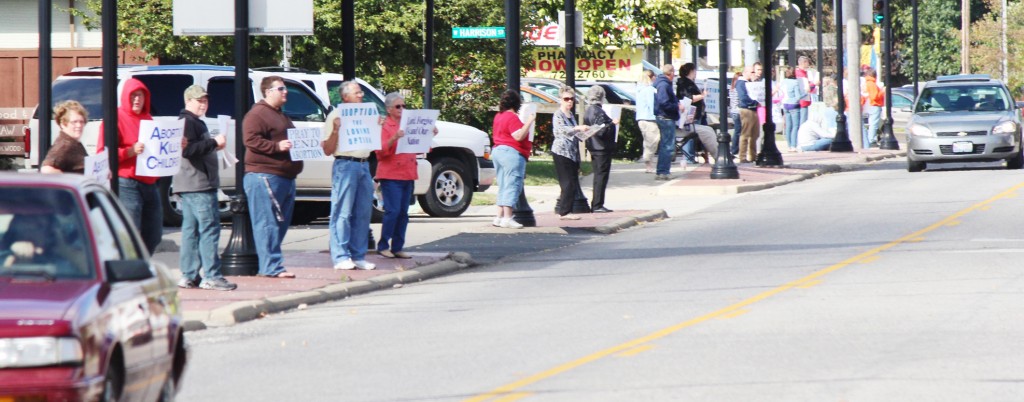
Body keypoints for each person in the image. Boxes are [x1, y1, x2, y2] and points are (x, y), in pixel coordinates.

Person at [173, 85, 236, 291]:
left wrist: (213, 144)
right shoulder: (189, 122)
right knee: (209, 229)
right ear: (187, 101)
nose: (203, 104)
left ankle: (188, 275)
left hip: (190, 184)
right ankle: (212, 275)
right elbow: (189, 151)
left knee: (191, 231)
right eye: (198, 100)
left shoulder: (190, 122)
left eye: (205, 100)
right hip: (198, 184)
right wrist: (213, 142)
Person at [243, 76, 303, 278]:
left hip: (285, 176)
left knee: (279, 223)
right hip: (264, 176)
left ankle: (271, 264)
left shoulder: (281, 115)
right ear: (268, 91)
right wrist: (276, 147)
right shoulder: (257, 114)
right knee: (267, 223)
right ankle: (271, 267)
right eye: (281, 88)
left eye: (285, 88)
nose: (285, 91)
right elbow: (250, 140)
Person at [97, 78, 163, 254]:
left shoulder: (148, 119)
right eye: (133, 95)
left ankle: (141, 265)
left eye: (140, 95)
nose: (136, 100)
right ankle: (130, 268)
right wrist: (129, 152)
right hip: (127, 182)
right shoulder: (114, 118)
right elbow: (102, 154)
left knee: (154, 234)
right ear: (125, 97)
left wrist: (177, 145)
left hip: (150, 183)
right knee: (130, 231)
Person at [321, 81, 376, 270]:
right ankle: (340, 256)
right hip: (345, 164)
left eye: (361, 92)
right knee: (342, 212)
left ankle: (358, 255)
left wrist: (379, 127)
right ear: (345, 97)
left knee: (362, 212)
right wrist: (336, 130)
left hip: (364, 165)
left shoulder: (369, 115)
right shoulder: (336, 115)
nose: (361, 95)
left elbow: (379, 143)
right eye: (357, 92)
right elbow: (327, 149)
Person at [376, 92, 436, 258]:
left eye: (403, 106)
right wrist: (394, 137)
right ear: (389, 109)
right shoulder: (384, 126)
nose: (402, 109)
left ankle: (397, 246)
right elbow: (380, 152)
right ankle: (383, 245)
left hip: (407, 173)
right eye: (398, 106)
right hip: (391, 174)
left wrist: (428, 133)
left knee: (403, 213)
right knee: (392, 211)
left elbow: (418, 146)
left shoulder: (408, 124)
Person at [491, 90, 535, 228]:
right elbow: (518, 136)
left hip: (498, 151)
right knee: (512, 183)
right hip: (511, 153)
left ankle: (498, 217)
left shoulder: (498, 116)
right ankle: (508, 218)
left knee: (503, 184)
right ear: (517, 103)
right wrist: (529, 121)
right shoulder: (512, 117)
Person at [551, 86, 589, 220]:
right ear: (560, 99)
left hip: (572, 152)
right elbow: (561, 131)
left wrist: (585, 133)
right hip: (561, 152)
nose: (569, 102)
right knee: (568, 182)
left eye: (572, 99)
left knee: (573, 181)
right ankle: (564, 211)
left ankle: (566, 209)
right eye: (566, 99)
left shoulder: (571, 115)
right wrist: (577, 127)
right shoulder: (558, 114)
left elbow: (575, 133)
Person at [582, 85, 617, 213]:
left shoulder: (588, 110)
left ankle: (596, 204)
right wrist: (612, 123)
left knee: (598, 175)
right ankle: (597, 204)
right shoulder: (598, 111)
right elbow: (602, 131)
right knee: (601, 176)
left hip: (593, 146)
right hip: (601, 148)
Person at [41, 100, 88, 175]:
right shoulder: (64, 145)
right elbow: (46, 169)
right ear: (63, 124)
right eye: (74, 122)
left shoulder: (73, 143)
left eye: (81, 122)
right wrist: (67, 179)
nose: (79, 125)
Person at [653, 64, 683, 180]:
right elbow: (664, 102)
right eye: (674, 74)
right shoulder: (664, 85)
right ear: (670, 74)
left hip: (662, 116)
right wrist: (677, 106)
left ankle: (662, 170)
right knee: (668, 145)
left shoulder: (659, 83)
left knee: (665, 144)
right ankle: (663, 171)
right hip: (666, 117)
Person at [676, 63, 706, 164]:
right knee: (690, 134)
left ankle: (690, 156)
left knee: (693, 134)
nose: (696, 73)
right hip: (691, 112)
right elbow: (689, 98)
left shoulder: (687, 83)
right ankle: (689, 157)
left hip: (695, 112)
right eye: (694, 71)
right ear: (691, 71)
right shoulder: (686, 83)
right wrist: (702, 96)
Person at [736, 63, 763, 163]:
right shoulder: (741, 83)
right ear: (746, 72)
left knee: (754, 134)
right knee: (745, 134)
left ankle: (753, 155)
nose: (754, 74)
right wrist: (755, 102)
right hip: (746, 109)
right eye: (752, 72)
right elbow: (743, 97)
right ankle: (742, 157)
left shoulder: (751, 82)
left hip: (754, 109)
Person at [635, 70, 659, 174]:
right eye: (654, 77)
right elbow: (652, 104)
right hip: (649, 119)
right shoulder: (649, 89)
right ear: (651, 77)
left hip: (640, 118)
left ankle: (648, 162)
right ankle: (648, 163)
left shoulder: (639, 90)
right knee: (653, 141)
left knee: (647, 141)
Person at [781, 66, 806, 152]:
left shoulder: (783, 81)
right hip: (794, 104)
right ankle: (793, 145)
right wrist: (806, 94)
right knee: (795, 126)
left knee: (788, 125)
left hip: (785, 104)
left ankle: (788, 145)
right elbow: (798, 96)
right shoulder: (795, 82)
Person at [862, 66, 884, 148]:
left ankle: (870, 139)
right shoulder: (872, 84)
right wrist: (882, 92)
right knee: (873, 124)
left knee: (871, 124)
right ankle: (871, 140)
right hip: (875, 104)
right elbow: (874, 96)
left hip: (869, 105)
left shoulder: (866, 83)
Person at [795, 56, 815, 126]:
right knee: (803, 122)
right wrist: (814, 84)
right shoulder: (800, 74)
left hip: (804, 100)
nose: (808, 64)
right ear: (803, 63)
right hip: (803, 100)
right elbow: (805, 88)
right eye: (807, 62)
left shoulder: (804, 73)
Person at [729, 71, 743, 157]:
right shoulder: (737, 89)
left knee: (737, 130)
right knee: (738, 131)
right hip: (737, 111)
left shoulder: (732, 88)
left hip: (733, 111)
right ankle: (734, 149)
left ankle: (735, 148)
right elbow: (739, 101)